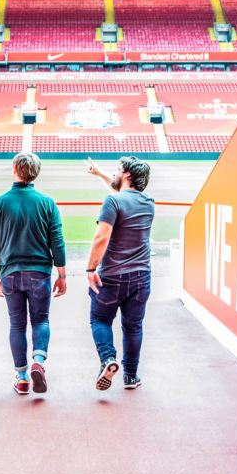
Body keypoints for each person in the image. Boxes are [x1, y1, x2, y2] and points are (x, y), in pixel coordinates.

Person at [0, 152, 67, 395]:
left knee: (17, 324)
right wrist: (62, 275)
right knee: (41, 320)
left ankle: (22, 377)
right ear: (36, 173)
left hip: (10, 274)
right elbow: (58, 242)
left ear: (14, 169)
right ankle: (38, 362)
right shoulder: (47, 203)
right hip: (40, 274)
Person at [85, 156, 154, 391]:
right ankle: (131, 376)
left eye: (117, 170)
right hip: (141, 277)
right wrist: (101, 174)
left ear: (126, 175)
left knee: (100, 319)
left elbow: (101, 237)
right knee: (133, 327)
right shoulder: (148, 203)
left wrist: (91, 268)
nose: (114, 173)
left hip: (111, 277)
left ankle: (107, 358)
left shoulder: (112, 202)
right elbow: (122, 196)